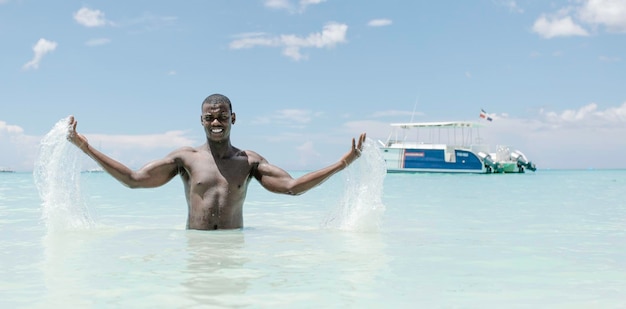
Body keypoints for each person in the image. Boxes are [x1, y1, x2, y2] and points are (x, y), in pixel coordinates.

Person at [67, 93, 366, 230]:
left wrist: (343, 163)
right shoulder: (185, 158)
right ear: (201, 121)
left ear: (233, 118)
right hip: (196, 248)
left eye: (222, 116)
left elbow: (292, 187)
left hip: (235, 247)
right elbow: (134, 180)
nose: (216, 122)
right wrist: (86, 147)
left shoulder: (248, 161)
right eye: (209, 117)